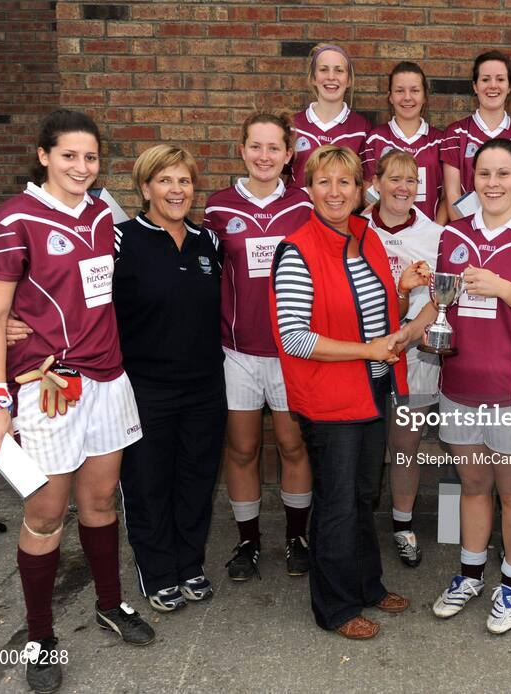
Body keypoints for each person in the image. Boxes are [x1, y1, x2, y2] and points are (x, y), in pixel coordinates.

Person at [0, 110, 154, 693]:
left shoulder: (105, 212)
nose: (81, 167)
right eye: (70, 155)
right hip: (45, 389)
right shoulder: (13, 219)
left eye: (91, 157)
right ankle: (40, 636)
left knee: (100, 503)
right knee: (47, 514)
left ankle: (109, 603)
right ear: (44, 155)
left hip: (106, 380)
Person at [406, 139, 511, 634]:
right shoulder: (452, 235)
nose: (493, 182)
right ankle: (470, 574)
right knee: (473, 486)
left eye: (504, 173)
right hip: (459, 388)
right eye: (484, 173)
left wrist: (503, 288)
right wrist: (405, 335)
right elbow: (441, 304)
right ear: (473, 179)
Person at [270, 145, 411, 640]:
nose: (335, 192)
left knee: (362, 495)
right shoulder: (297, 248)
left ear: (359, 190)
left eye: (345, 183)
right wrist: (364, 351)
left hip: (372, 389)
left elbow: (369, 308)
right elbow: (295, 337)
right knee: (336, 502)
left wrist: (403, 293)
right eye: (324, 182)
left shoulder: (364, 237)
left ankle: (367, 585)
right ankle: (334, 606)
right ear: (308, 189)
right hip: (330, 398)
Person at [110, 145, 226, 612]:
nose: (176, 190)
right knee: (148, 481)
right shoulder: (120, 241)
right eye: (165, 181)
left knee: (197, 478)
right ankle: (158, 571)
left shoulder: (209, 243)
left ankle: (189, 564)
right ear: (145, 188)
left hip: (204, 385)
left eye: (184, 181)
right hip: (145, 387)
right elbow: (79, 294)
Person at [202, 113, 315, 581]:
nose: (265, 156)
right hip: (238, 352)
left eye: (274, 148)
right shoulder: (217, 207)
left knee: (292, 446)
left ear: (289, 154)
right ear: (242, 149)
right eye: (256, 146)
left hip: (291, 349)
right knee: (243, 449)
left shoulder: (306, 204)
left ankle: (296, 537)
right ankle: (248, 542)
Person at [361, 150, 443, 568]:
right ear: (376, 181)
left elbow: (438, 299)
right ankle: (355, 525)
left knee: (407, 446)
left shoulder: (434, 233)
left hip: (414, 354)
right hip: (362, 353)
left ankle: (402, 525)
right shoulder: (355, 227)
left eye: (411, 180)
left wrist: (408, 334)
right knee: (360, 443)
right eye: (395, 178)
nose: (403, 187)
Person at [441, 51, 511, 219]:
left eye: (500, 79)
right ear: (475, 86)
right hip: (468, 230)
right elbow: (452, 194)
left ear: (509, 86)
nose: (493, 85)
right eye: (485, 79)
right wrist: (468, 236)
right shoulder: (455, 133)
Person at [362, 61, 447, 223]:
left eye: (415, 90)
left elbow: (446, 196)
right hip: (386, 235)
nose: (407, 97)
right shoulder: (375, 139)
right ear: (391, 97)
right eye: (400, 91)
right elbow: (367, 194)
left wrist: (436, 231)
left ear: (424, 97)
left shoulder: (439, 140)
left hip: (427, 239)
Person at [290, 44, 370, 189]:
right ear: (313, 78)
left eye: (339, 70)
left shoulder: (362, 128)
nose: (331, 77)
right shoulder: (292, 125)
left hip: (342, 211)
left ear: (349, 80)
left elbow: (365, 185)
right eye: (323, 70)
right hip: (299, 212)